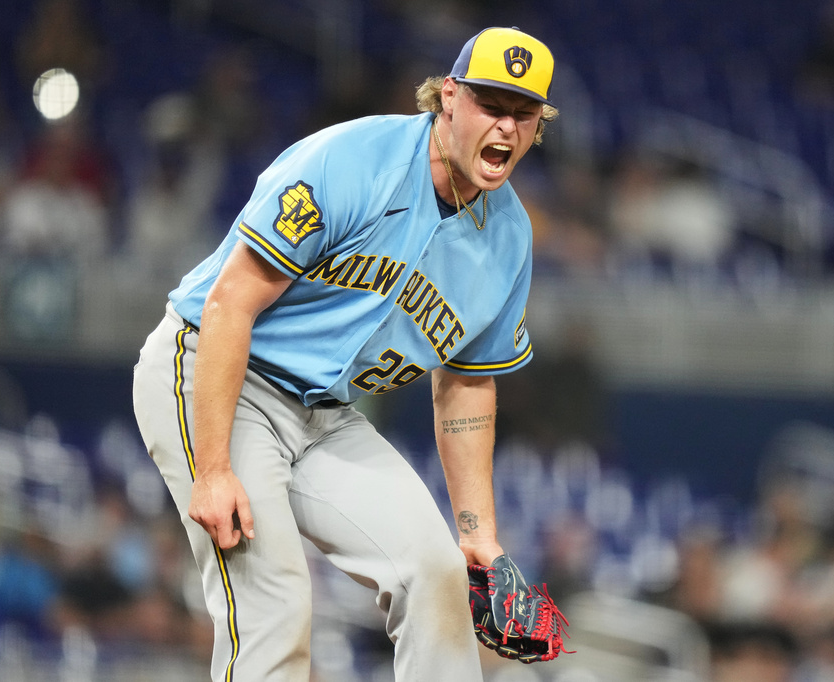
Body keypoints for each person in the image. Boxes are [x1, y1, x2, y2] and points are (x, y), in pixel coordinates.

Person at [132, 26, 558, 681]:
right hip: (215, 374)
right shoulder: (353, 160)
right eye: (488, 105)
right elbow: (231, 303)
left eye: (521, 114)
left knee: (435, 572)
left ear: (537, 128)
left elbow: (467, 384)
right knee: (272, 604)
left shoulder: (509, 240)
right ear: (448, 98)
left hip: (324, 413)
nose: (504, 126)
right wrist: (214, 467)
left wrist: (478, 533)